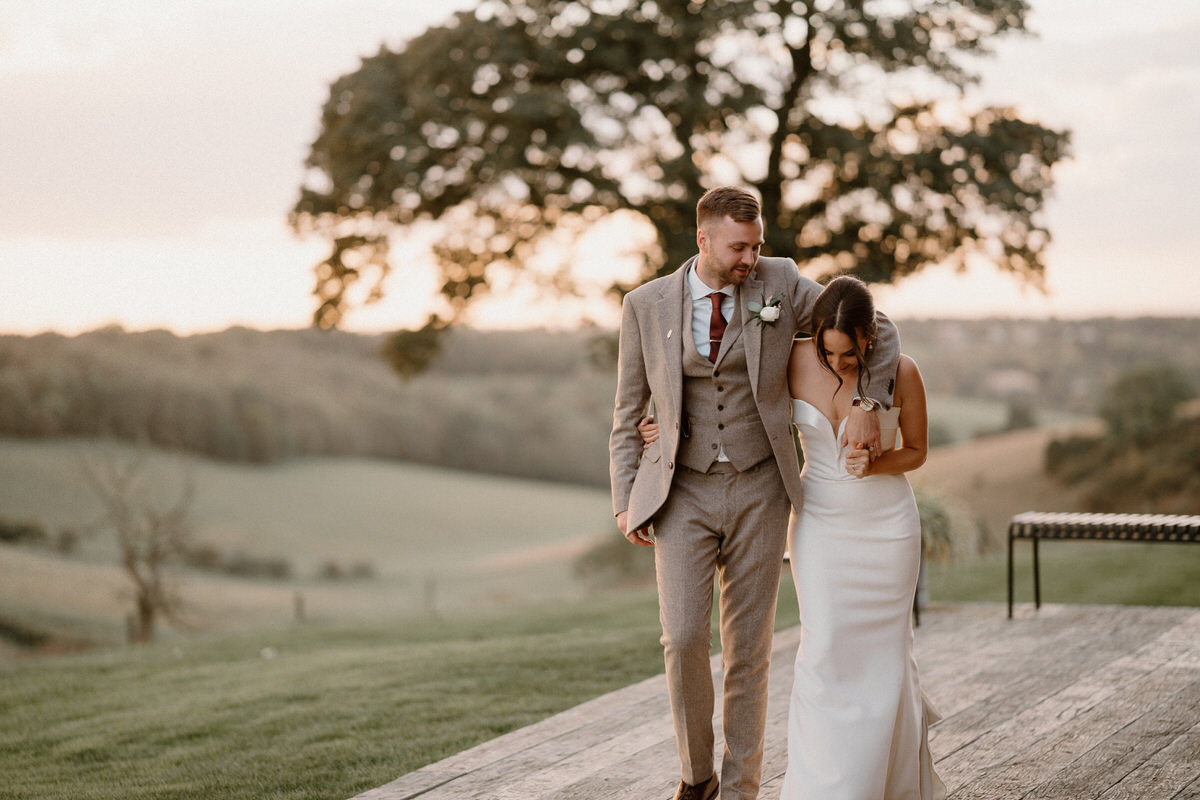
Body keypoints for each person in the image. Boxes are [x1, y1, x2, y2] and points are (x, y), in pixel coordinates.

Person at [609, 186, 900, 800]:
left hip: (761, 488)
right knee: (683, 636)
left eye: (756, 244)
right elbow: (626, 411)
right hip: (679, 491)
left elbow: (875, 323)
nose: (750, 257)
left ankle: (741, 788)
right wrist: (623, 496)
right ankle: (698, 777)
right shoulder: (645, 304)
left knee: (750, 648)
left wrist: (870, 401)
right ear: (703, 239)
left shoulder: (782, 281)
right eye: (739, 247)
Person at [781, 275, 944, 799]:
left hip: (886, 528)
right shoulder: (792, 359)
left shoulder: (901, 371)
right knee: (824, 646)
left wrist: (874, 465)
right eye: (829, 353)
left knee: (883, 657)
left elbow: (916, 450)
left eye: (849, 355)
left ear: (869, 338)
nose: (838, 365)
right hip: (819, 523)